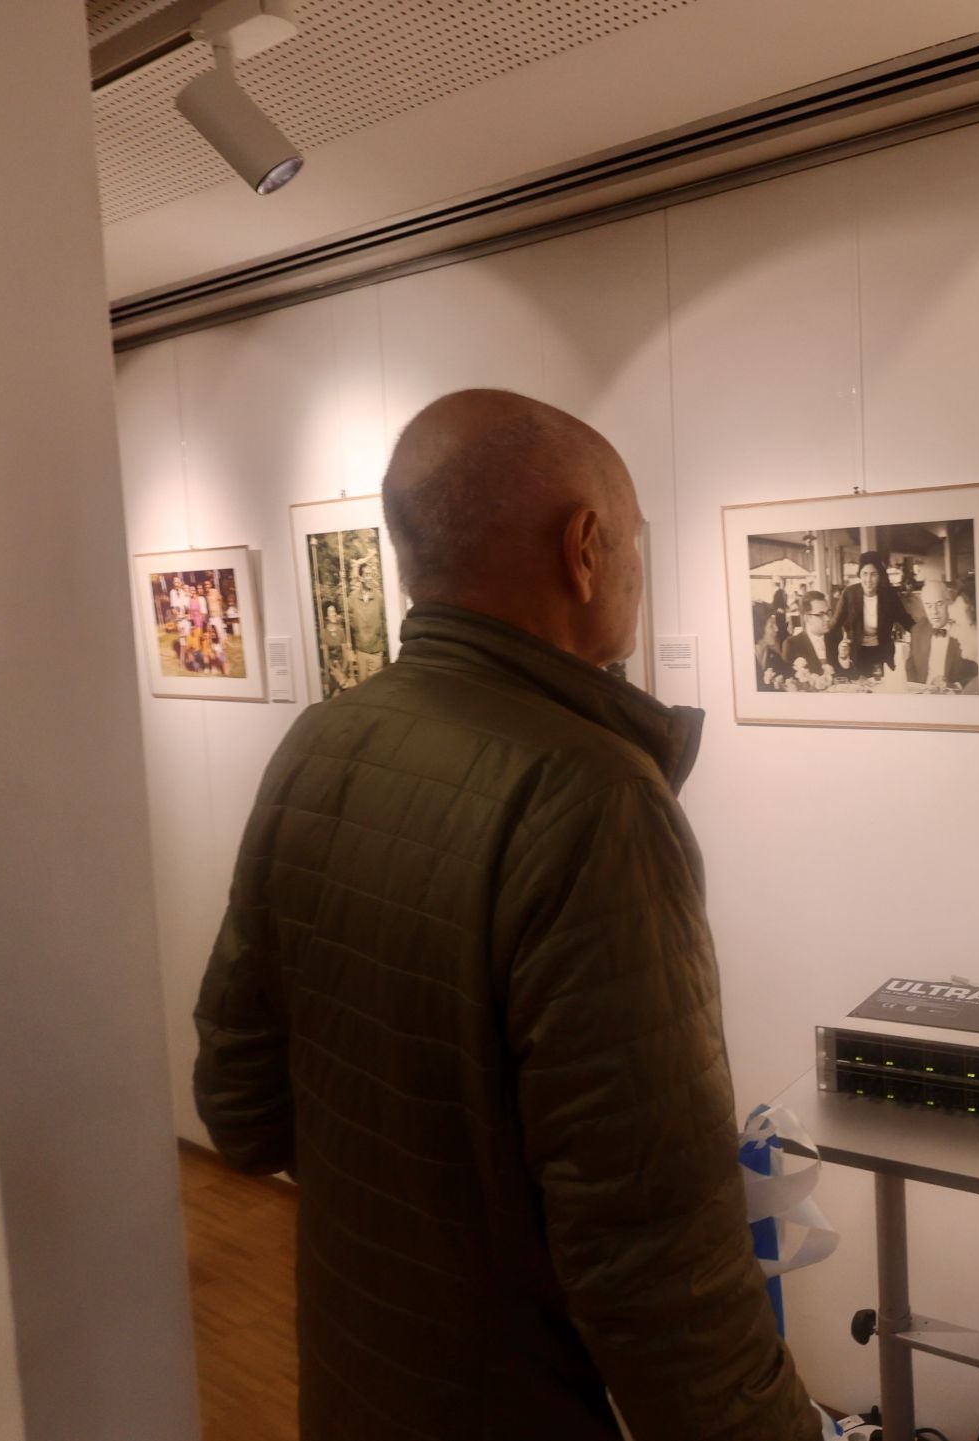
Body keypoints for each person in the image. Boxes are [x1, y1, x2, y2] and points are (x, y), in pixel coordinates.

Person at [192, 390, 816, 1441]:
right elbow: (653, 1245)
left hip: (357, 1378)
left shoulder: (321, 743)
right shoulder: (592, 796)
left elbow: (240, 1105)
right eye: (633, 546)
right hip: (517, 1403)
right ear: (583, 548)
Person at [831, 549, 913, 676]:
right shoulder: (849, 594)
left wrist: (925, 632)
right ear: (860, 575)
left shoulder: (890, 596)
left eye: (873, 574)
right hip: (857, 653)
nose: (868, 579)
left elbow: (906, 621)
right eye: (865, 573)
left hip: (883, 653)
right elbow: (834, 625)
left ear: (879, 575)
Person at [782, 589, 833, 677]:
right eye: (821, 615)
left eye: (828, 613)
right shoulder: (792, 645)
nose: (827, 619)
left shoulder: (836, 639)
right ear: (807, 618)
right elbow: (788, 682)